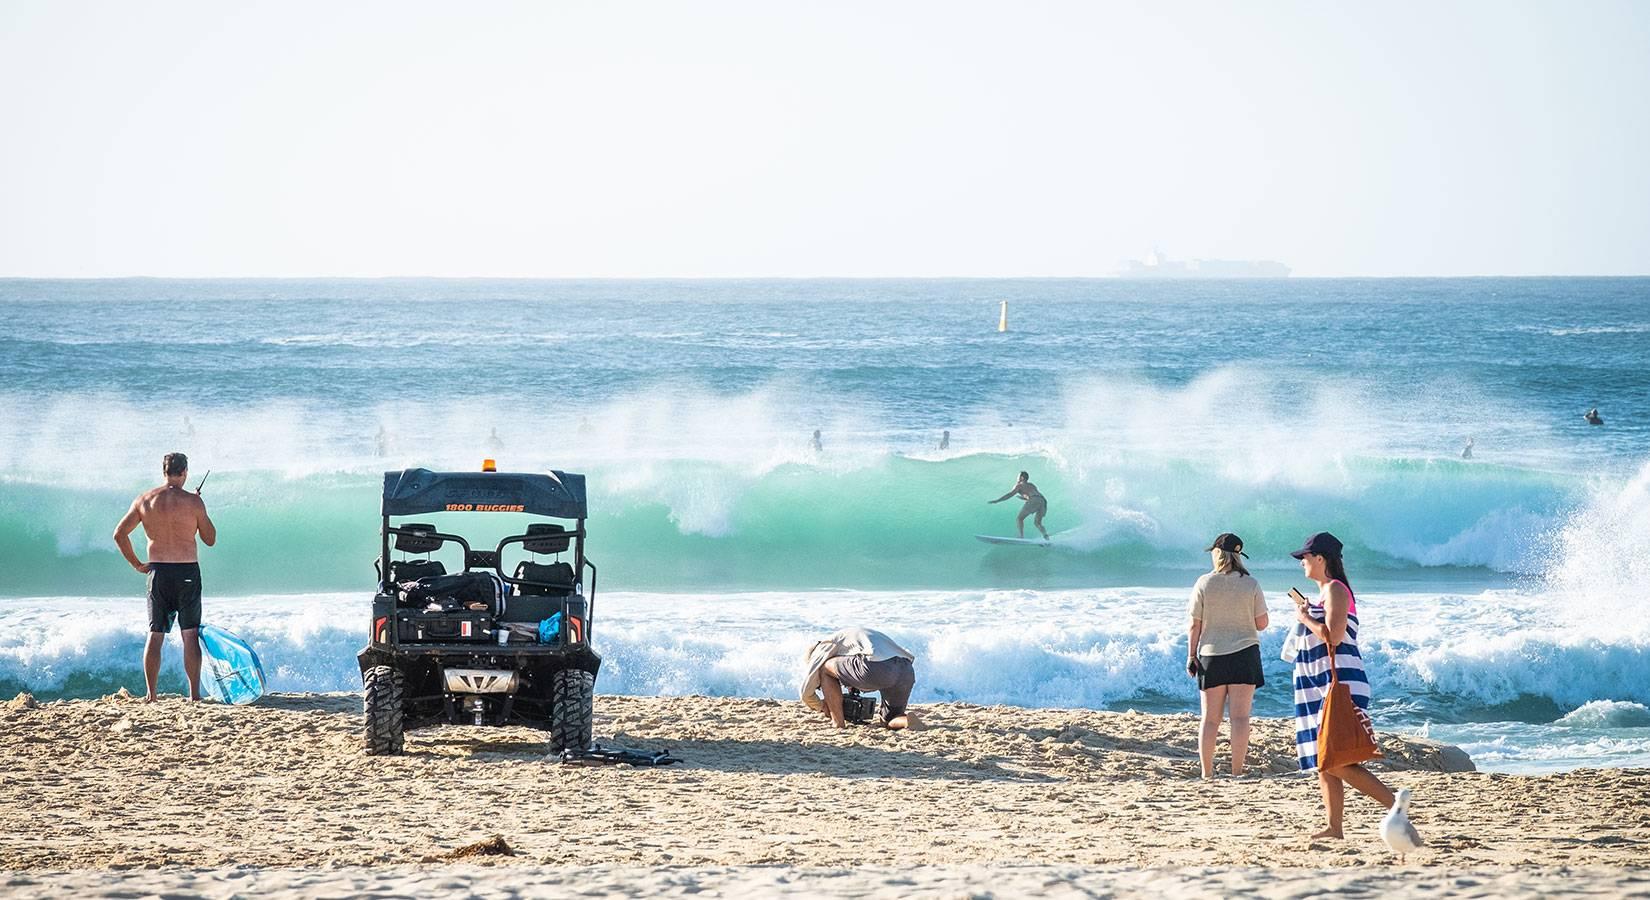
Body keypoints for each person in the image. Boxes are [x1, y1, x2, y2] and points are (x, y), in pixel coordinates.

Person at [1289, 531, 1409, 840]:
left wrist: (1306, 620)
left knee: (1335, 759)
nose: (1302, 561)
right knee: (1324, 762)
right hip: (1322, 685)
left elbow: (1334, 636)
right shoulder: (1325, 593)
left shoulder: (1335, 590)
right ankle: (1334, 827)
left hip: (1340, 683)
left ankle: (1395, 805)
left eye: (1305, 556)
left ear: (1321, 559)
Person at [112, 452, 217, 703]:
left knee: (155, 634)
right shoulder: (193, 502)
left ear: (164, 472)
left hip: (157, 572)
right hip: (187, 572)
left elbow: (119, 534)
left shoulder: (144, 500)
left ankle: (152, 694)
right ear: (185, 473)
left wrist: (137, 564)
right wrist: (199, 506)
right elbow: (210, 539)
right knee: (189, 634)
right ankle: (194, 695)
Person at [1186, 533, 1269, 779]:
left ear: (1217, 554)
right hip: (1245, 654)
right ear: (1238, 556)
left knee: (1210, 720)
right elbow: (1262, 623)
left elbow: (1194, 625)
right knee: (1240, 718)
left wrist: (1191, 655)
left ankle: (1206, 772)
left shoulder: (1204, 583)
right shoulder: (1251, 583)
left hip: (1212, 655)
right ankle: (1237, 772)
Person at [801, 627, 917, 730]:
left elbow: (805, 693)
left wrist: (823, 706)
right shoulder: (849, 639)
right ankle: (907, 721)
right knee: (889, 719)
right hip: (906, 670)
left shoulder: (823, 647)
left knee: (824, 669)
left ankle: (838, 722)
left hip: (878, 668)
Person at [988, 471, 1050, 540]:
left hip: (1034, 500)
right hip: (1043, 501)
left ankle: (1021, 536)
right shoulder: (1032, 485)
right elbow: (1035, 495)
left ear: (1022, 478)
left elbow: (1009, 495)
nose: (1017, 478)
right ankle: (1046, 537)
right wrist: (1025, 498)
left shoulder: (1019, 485)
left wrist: (997, 501)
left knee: (1019, 518)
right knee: (1037, 523)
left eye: (1018, 476)